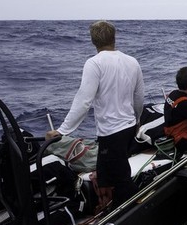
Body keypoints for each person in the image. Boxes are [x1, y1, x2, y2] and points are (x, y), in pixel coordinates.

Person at [47, 21, 144, 210]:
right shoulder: (132, 61)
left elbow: (84, 101)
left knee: (121, 179)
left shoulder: (94, 63)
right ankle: (115, 205)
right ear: (114, 38)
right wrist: (138, 119)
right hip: (129, 128)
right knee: (108, 172)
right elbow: (139, 96)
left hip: (111, 132)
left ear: (93, 41)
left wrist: (62, 131)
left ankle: (137, 212)